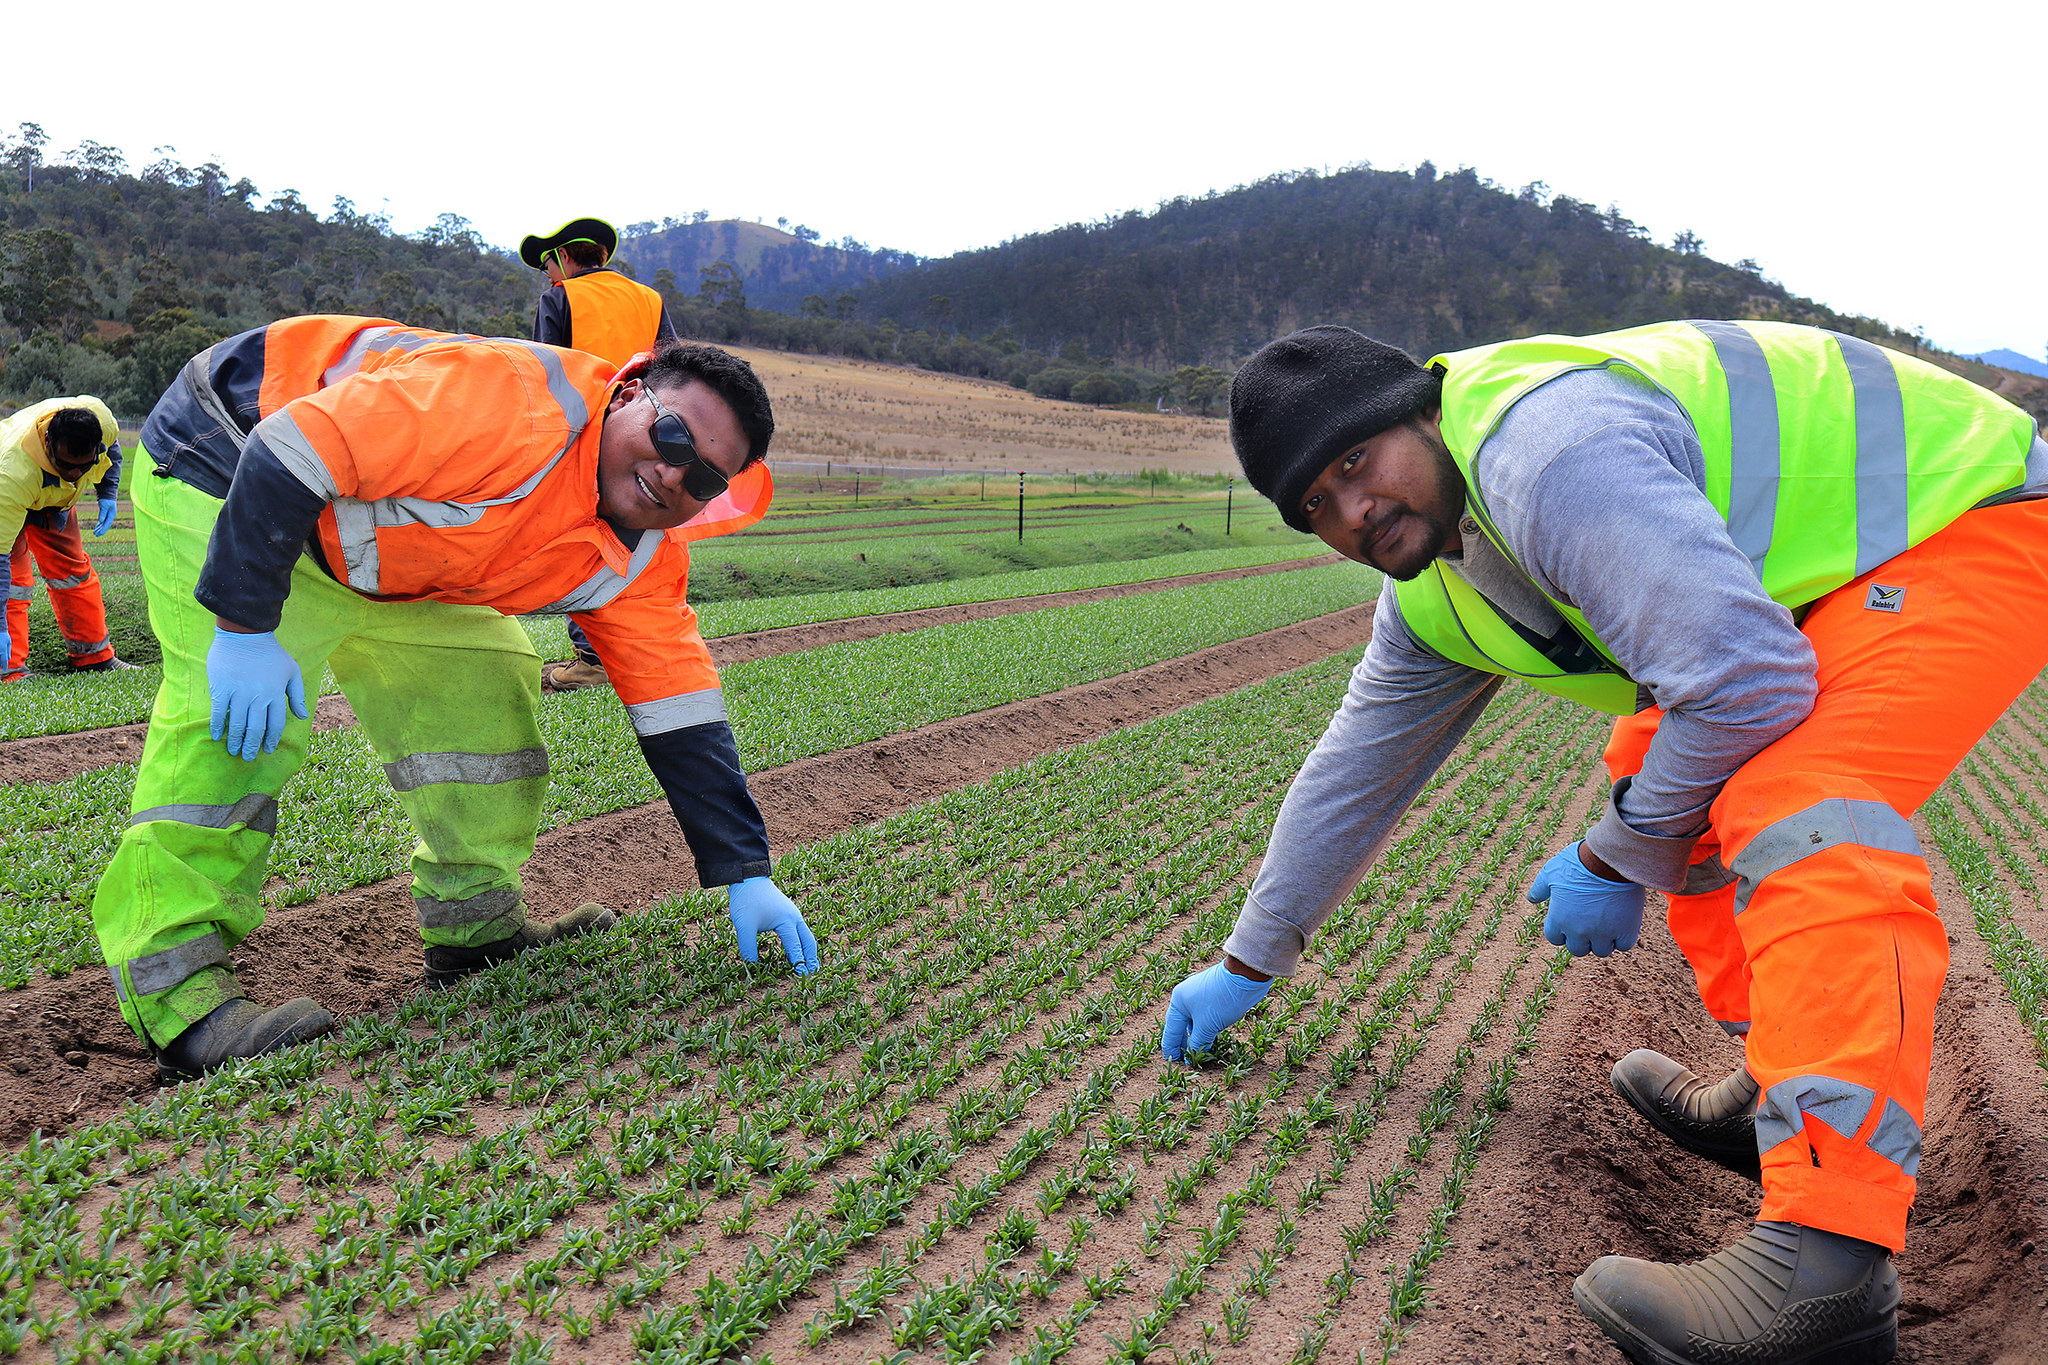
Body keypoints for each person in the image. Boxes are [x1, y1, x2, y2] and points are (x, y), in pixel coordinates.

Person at [1160, 320, 2048, 1365]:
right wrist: (1249, 958)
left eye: (1356, 462)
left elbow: (1743, 684)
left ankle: (1826, 1264)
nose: (1353, 509)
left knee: (1801, 803)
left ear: (1419, 414)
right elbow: (1352, 772)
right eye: (1315, 504)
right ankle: (1789, 1084)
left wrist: (1611, 853)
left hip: (1954, 516)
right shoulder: (1432, 595)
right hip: (1815, 582)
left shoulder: (1548, 454)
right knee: (1659, 765)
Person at [93, 315, 820, 1078]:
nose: (676, 476)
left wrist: (746, 869)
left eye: (703, 478)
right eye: (673, 439)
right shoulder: (511, 406)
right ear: (630, 392)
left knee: (487, 677)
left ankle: (474, 926)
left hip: (382, 547)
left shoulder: (641, 553)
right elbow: (292, 447)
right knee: (240, 723)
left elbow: (680, 700)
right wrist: (243, 625)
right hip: (235, 463)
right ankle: (178, 996)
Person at [520, 216, 678, 693]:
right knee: (634, 543)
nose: (548, 275)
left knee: (584, 542)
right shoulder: (651, 300)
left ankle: (591, 657)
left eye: (548, 264)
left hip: (589, 440)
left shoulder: (560, 298)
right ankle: (638, 650)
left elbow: (546, 372)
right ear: (602, 257)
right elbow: (673, 367)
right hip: (649, 437)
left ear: (565, 258)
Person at [0, 395, 141, 678]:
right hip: (12, 494)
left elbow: (111, 448)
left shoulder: (99, 419)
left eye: (84, 466)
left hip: (53, 498)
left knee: (72, 572)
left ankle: (95, 657)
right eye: (67, 466)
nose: (76, 475)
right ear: (49, 445)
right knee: (14, 581)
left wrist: (107, 493)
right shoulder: (12, 476)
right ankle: (9, 669)